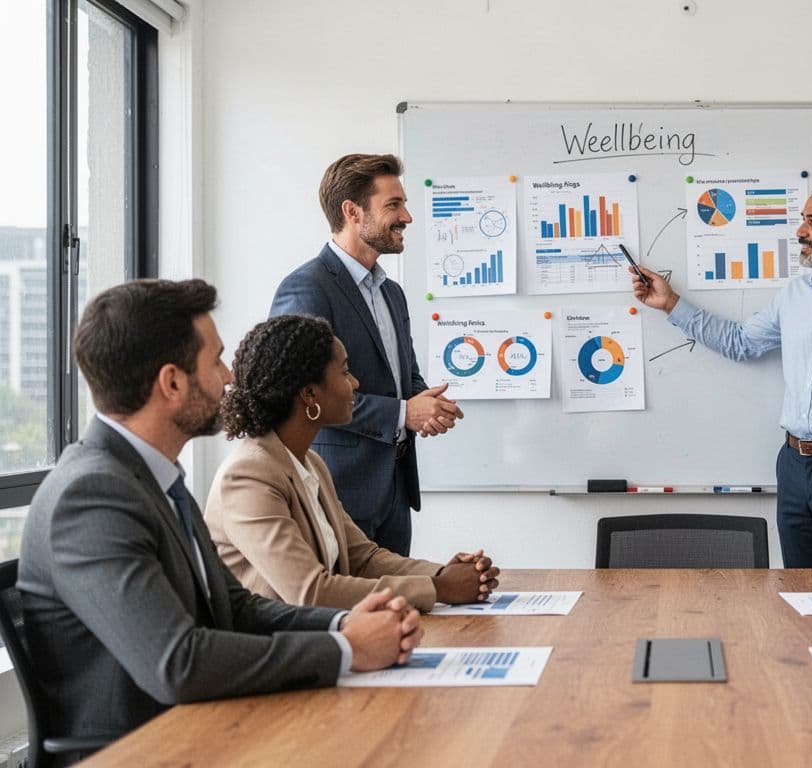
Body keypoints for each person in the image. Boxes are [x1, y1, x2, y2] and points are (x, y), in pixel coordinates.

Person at [17, 280, 423, 755]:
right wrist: (348, 650)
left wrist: (342, 625)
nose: (230, 376)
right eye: (215, 361)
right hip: (146, 749)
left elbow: (238, 609)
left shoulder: (154, 478)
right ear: (171, 382)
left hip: (203, 726)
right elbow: (180, 662)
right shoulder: (90, 497)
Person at [632, 179, 812, 568]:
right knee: (801, 598)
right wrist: (670, 303)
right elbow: (740, 342)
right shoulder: (795, 296)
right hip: (794, 466)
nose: (800, 231)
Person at [205, 314, 500, 612]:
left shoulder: (310, 463)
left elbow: (363, 558)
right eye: (345, 373)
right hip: (276, 650)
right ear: (309, 394)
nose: (355, 383)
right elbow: (311, 592)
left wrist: (441, 573)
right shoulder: (248, 476)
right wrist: (439, 588)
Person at [271, 153, 461, 556]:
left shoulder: (392, 293)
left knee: (401, 610)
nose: (407, 216)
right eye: (393, 205)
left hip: (394, 492)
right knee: (348, 615)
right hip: (337, 492)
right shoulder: (307, 288)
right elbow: (301, 393)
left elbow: (404, 377)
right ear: (352, 212)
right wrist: (403, 413)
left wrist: (428, 403)